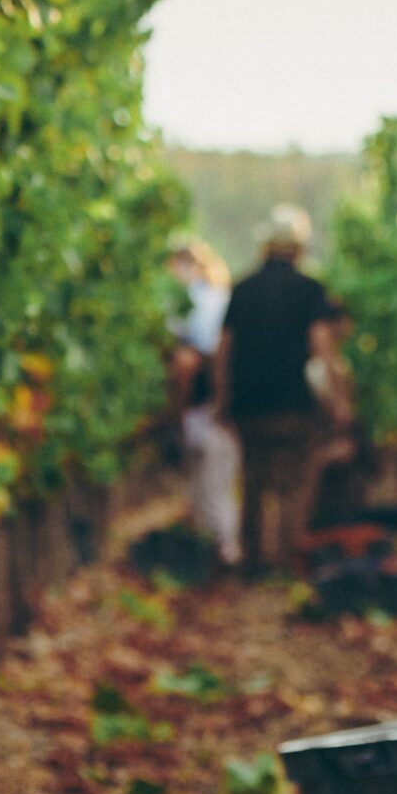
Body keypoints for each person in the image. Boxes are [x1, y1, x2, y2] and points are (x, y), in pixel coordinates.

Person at [214, 204, 337, 575]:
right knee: (293, 484)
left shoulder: (242, 288)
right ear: (300, 247)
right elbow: (322, 348)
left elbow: (223, 349)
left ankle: (253, 561)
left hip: (249, 404)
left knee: (253, 481)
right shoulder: (311, 290)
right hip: (294, 404)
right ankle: (286, 561)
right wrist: (334, 400)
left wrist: (223, 398)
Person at [168, 239, 241, 567]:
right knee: (215, 480)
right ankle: (220, 546)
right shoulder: (221, 297)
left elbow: (191, 361)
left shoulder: (192, 302)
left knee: (208, 482)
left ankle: (219, 548)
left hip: (205, 406)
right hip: (220, 407)